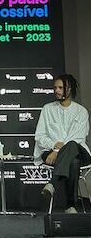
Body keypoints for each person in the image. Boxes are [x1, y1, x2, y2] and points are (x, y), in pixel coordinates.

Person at [34, 74, 91, 214]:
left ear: (69, 89)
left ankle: (52, 183)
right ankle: (70, 206)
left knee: (72, 145)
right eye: (55, 87)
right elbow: (40, 135)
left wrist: (58, 151)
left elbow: (78, 138)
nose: (57, 90)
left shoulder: (81, 111)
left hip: (77, 151)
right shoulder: (47, 109)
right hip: (51, 152)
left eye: (60, 87)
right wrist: (53, 144)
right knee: (73, 162)